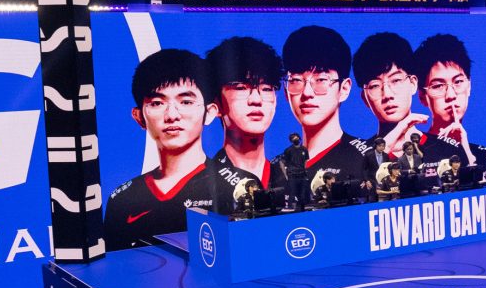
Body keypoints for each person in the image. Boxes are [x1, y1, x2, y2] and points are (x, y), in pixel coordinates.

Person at [102, 47, 215, 249]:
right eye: (157, 103)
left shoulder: (235, 187)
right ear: (139, 117)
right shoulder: (122, 200)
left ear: (210, 112)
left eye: (186, 101)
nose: (172, 115)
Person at [204, 36, 291, 214]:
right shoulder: (204, 182)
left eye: (266, 89)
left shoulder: (288, 177)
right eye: (241, 88)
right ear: (216, 103)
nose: (256, 100)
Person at [281, 24, 375, 186]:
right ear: (285, 91)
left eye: (321, 80)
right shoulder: (278, 166)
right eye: (296, 80)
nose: (307, 93)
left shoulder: (366, 157)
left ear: (344, 89)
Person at [413, 33, 486, 180]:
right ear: (422, 96)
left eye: (458, 82)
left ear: (469, 86)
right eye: (438, 85)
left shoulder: (484, 155)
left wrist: (466, 151)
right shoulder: (417, 152)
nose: (451, 95)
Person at [355, 32, 430, 161]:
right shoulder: (358, 157)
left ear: (413, 84)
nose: (387, 95)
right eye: (375, 85)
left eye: (396, 80)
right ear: (365, 98)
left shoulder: (442, 149)